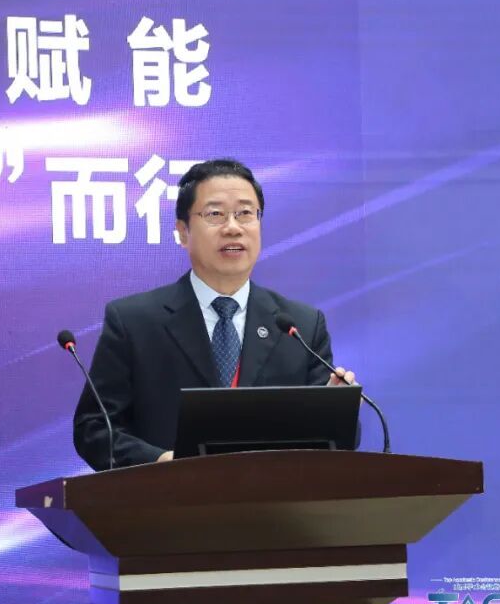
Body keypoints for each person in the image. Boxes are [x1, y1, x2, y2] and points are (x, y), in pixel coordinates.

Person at [73, 158, 356, 470]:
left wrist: (336, 410)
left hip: (273, 498)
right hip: (170, 496)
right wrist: (160, 462)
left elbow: (336, 443)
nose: (233, 228)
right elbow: (94, 429)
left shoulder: (300, 326)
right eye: (215, 214)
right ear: (183, 232)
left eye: (245, 213)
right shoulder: (134, 322)